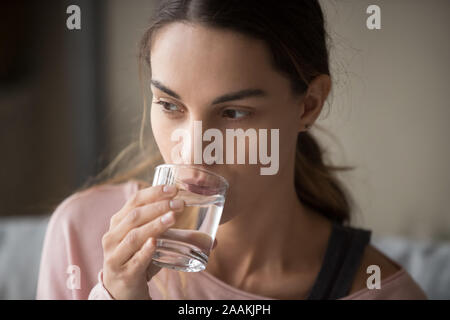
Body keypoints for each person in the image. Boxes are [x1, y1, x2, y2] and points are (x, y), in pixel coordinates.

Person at [36, 0, 428, 300]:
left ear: (308, 104)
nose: (194, 152)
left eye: (234, 113)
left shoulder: (383, 292)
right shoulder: (81, 233)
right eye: (170, 105)